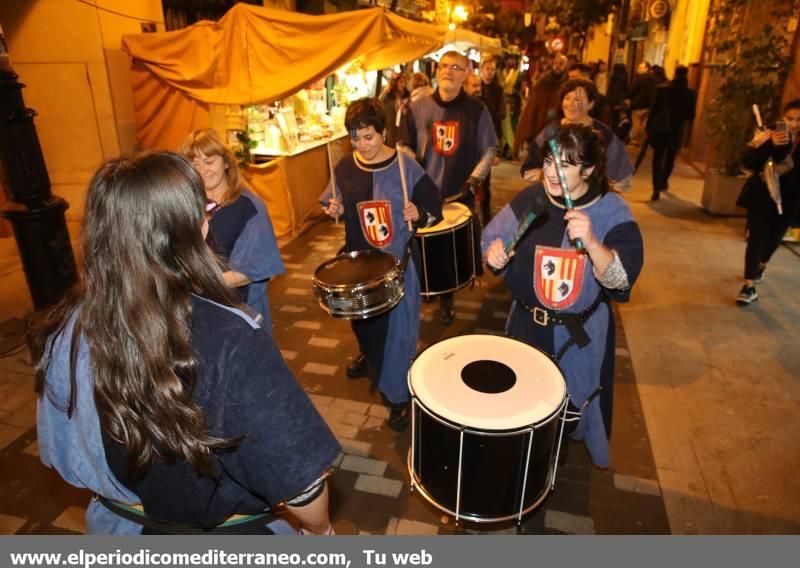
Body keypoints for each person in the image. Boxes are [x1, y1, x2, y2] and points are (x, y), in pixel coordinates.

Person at [32, 151, 341, 534]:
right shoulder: (232, 338)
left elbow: (61, 452)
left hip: (117, 525)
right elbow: (302, 484)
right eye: (206, 209)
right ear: (196, 227)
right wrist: (321, 531)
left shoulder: (66, 326)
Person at [482, 124, 644, 468]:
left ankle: (553, 455)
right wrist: (493, 253)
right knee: (525, 404)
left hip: (576, 338)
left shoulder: (611, 211)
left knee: (569, 409)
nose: (552, 173)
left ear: (588, 170)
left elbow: (620, 282)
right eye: (550, 161)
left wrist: (593, 243)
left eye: (566, 165)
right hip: (526, 327)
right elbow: (490, 240)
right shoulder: (531, 200)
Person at [320, 98, 442, 431]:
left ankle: (398, 398)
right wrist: (334, 210)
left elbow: (433, 206)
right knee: (364, 325)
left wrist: (419, 213)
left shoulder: (406, 166)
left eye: (369, 137)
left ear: (384, 132)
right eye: (356, 138)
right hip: (359, 265)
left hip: (397, 266)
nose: (363, 145)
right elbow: (339, 205)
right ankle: (371, 355)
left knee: (400, 335)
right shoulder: (345, 167)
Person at [398, 50, 497, 324]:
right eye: (443, 66)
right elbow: (403, 145)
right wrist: (412, 172)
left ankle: (447, 297)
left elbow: (489, 150)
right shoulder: (417, 107)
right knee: (420, 245)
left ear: (465, 73)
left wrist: (473, 181)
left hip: (457, 192)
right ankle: (424, 289)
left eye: (455, 67)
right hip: (424, 192)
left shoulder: (477, 110)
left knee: (449, 252)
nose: (448, 71)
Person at [179, 129, 285, 329]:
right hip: (199, 311)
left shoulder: (249, 207)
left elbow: (251, 271)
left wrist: (196, 283)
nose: (202, 170)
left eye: (209, 162)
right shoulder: (187, 205)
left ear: (226, 162)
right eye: (195, 164)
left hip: (240, 311)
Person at [735, 98, 800, 305]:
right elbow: (749, 162)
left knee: (774, 239)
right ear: (783, 117)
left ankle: (761, 264)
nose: (794, 124)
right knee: (756, 238)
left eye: (799, 120)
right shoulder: (769, 133)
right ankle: (748, 285)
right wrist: (767, 144)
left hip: (790, 199)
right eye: (790, 118)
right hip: (763, 195)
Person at [521, 78, 634, 192]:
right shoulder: (550, 132)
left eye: (578, 100)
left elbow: (624, 179)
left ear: (591, 104)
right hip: (554, 198)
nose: (571, 104)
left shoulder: (603, 133)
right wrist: (545, 175)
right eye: (567, 98)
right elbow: (528, 170)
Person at [646, 65, 696, 201]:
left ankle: (656, 188)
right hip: (676, 130)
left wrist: (648, 128)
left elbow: (654, 111)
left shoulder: (664, 90)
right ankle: (663, 182)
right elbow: (690, 116)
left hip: (661, 129)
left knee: (658, 158)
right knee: (670, 158)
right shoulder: (690, 94)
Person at [514, 54, 569, 158]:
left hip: (558, 122)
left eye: (561, 64)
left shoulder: (568, 83)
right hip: (541, 122)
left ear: (566, 66)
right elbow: (534, 101)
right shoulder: (544, 81)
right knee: (539, 148)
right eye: (556, 63)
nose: (557, 66)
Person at [478, 56, 505, 225]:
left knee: (485, 180)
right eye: (487, 69)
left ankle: (486, 216)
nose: (489, 72)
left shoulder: (497, 90)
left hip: (489, 139)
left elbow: (500, 116)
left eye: (492, 69)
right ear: (481, 70)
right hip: (474, 140)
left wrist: (497, 146)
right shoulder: (474, 88)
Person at [625, 62, 657, 146]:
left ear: (647, 69)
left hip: (638, 105)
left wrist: (625, 97)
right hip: (649, 106)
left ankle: (634, 141)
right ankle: (642, 141)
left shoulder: (639, 79)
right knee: (644, 124)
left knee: (636, 124)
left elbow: (631, 91)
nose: (638, 69)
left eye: (641, 68)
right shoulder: (653, 80)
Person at [499, 53, 521, 159]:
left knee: (512, 126)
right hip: (501, 102)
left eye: (513, 59)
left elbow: (521, 89)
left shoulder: (518, 74)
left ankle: (511, 150)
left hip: (513, 102)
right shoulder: (499, 73)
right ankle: (503, 149)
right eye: (509, 59)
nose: (511, 62)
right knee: (503, 127)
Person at [379, 72, 410, 147]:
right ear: (394, 83)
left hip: (402, 131)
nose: (403, 85)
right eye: (401, 82)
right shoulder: (387, 96)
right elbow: (380, 113)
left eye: (404, 82)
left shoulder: (406, 96)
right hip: (390, 130)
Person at [606, 63, 631, 143]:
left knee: (615, 120)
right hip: (621, 102)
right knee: (620, 120)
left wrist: (610, 100)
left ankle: (615, 135)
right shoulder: (625, 77)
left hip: (614, 102)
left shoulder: (615, 78)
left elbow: (613, 91)